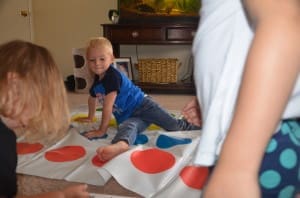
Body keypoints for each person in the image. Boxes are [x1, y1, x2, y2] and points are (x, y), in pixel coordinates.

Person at [182, 0, 300, 197]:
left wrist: (237, 166)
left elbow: (282, 24)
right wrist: (211, 101)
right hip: (267, 133)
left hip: (257, 143)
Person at [76, 37, 200, 162]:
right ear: (87, 61)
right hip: (127, 115)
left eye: (102, 59)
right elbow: (92, 98)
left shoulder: (112, 77)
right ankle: (121, 145)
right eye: (92, 60)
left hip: (144, 106)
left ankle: (203, 124)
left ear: (112, 58)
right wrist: (90, 116)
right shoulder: (97, 81)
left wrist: (101, 130)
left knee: (174, 126)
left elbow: (107, 106)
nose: (97, 63)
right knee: (127, 127)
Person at [0, 40, 89, 198]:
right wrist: (60, 195)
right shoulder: (3, 143)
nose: (38, 113)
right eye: (40, 101)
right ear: (14, 85)